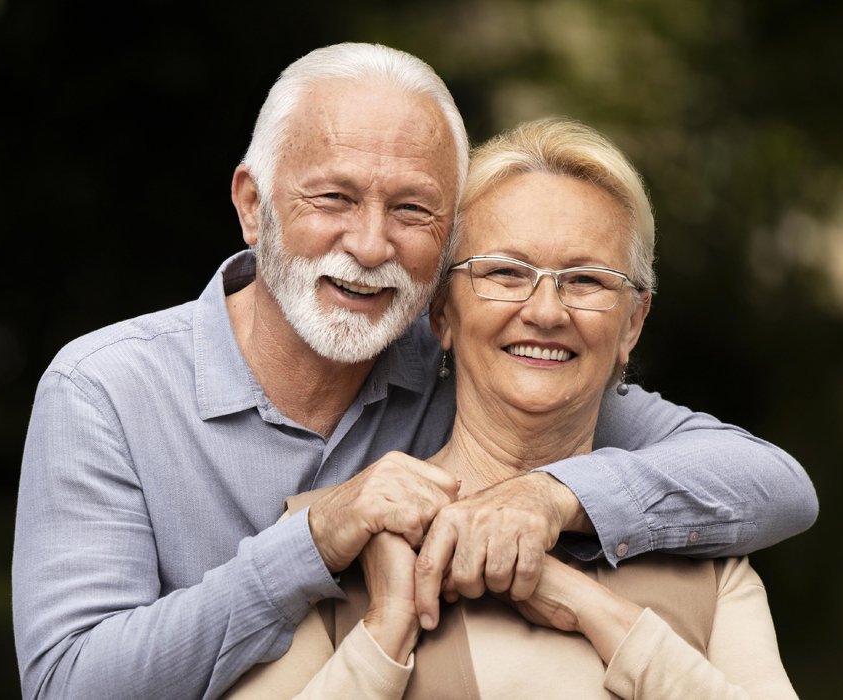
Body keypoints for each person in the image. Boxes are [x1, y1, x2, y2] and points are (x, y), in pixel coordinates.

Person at [13, 43, 816, 699]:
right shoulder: (105, 392)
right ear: (254, 204)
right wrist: (316, 543)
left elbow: (771, 483)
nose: (370, 245)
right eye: (334, 197)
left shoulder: (474, 364)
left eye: (412, 210)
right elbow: (70, 686)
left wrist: (550, 496)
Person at [227, 117, 798, 699]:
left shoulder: (706, 562)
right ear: (441, 315)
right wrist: (383, 632)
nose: (547, 312)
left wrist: (595, 611)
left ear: (633, 323)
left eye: (586, 280)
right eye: (505, 272)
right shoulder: (333, 536)